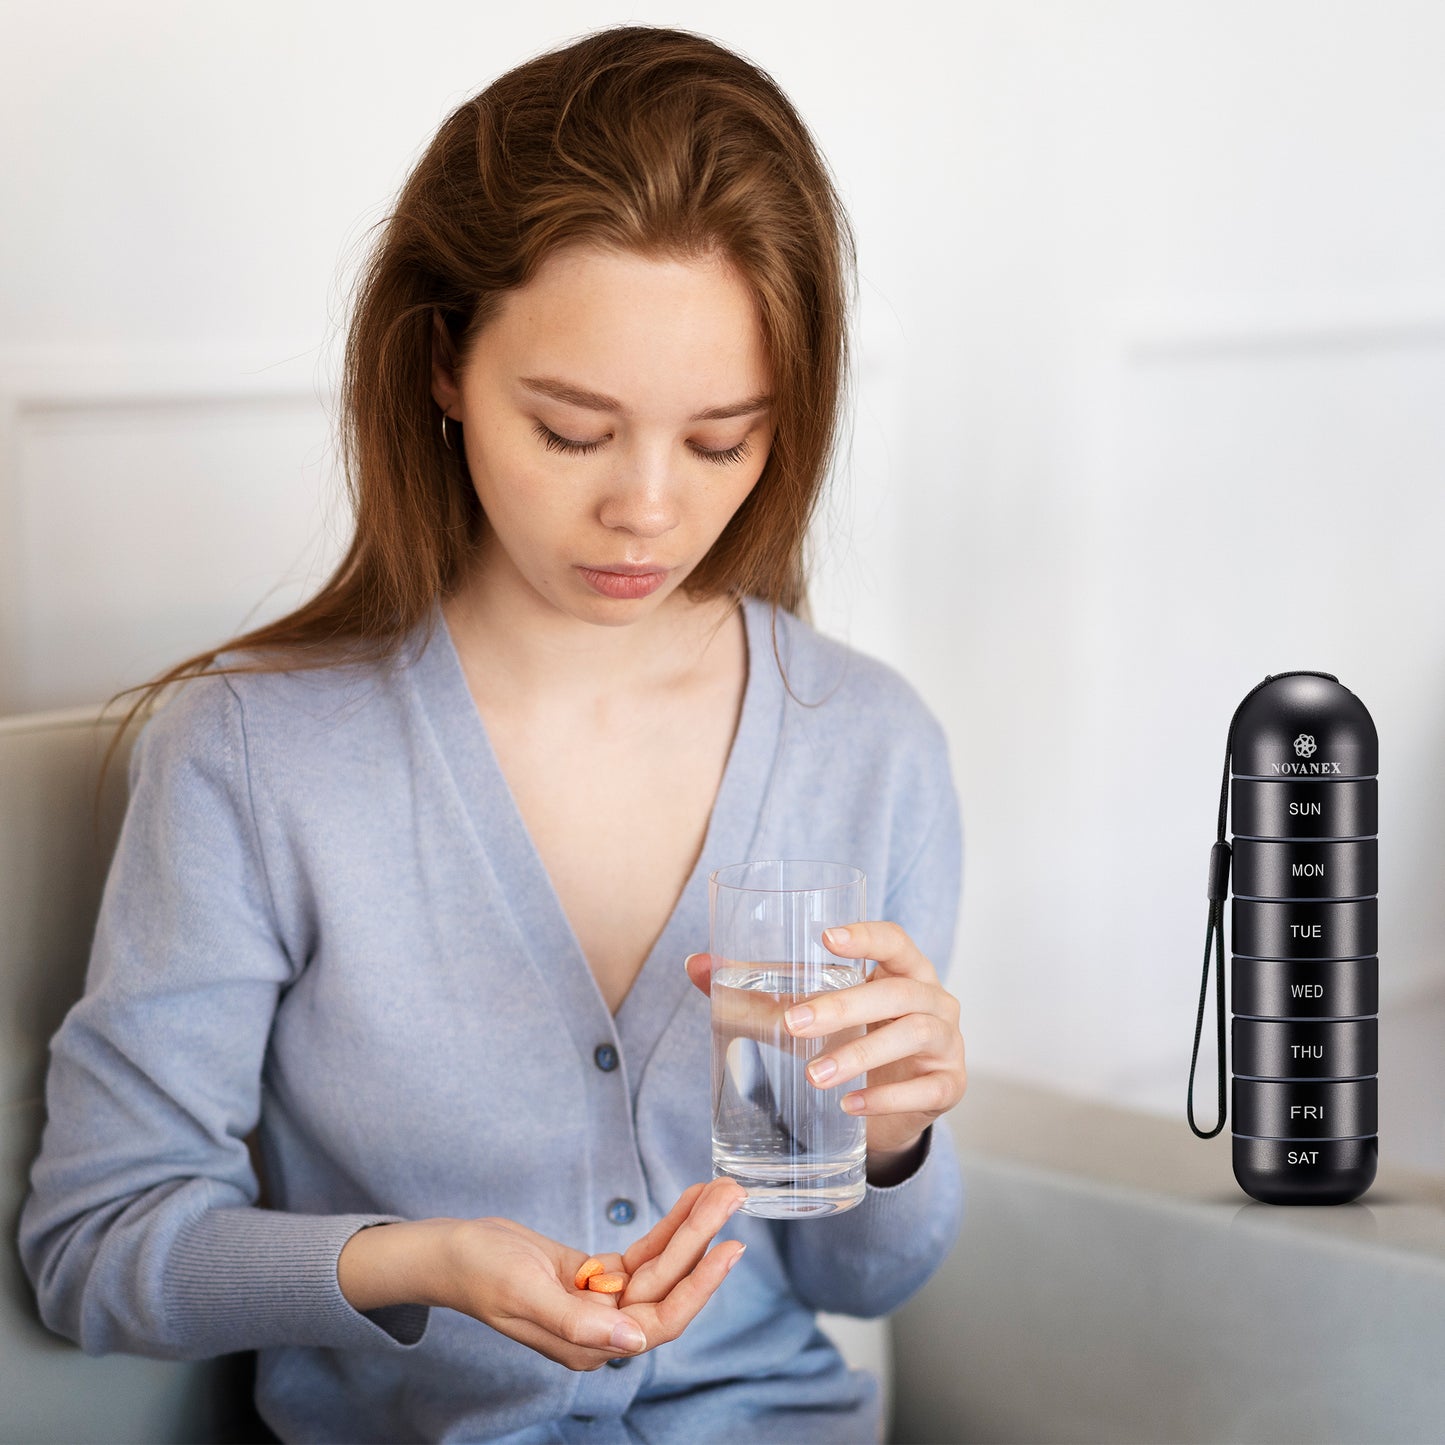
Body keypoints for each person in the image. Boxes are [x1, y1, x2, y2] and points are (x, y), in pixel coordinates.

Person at [18, 24, 967, 1444]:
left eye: (722, 439)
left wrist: (891, 1138)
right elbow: (97, 1246)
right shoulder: (253, 754)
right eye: (573, 429)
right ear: (444, 364)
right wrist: (417, 1262)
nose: (647, 506)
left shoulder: (867, 744)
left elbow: (867, 1279)